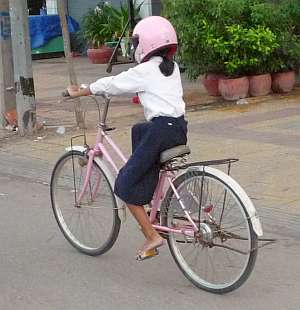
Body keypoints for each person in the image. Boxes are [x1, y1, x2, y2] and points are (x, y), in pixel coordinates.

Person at [67, 16, 188, 261]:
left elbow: (114, 83)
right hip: (178, 128)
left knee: (123, 184)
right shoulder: (171, 68)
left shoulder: (145, 70)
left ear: (144, 44)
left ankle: (151, 235)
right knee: (138, 129)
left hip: (160, 132)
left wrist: (82, 90)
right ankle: (149, 190)